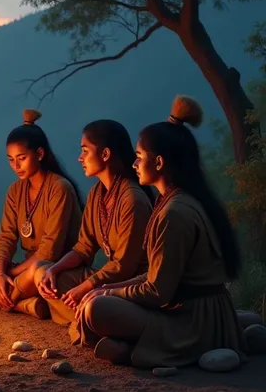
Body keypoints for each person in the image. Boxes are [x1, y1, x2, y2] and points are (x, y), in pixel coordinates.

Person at [75, 95, 248, 368]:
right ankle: (128, 347)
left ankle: (139, 349)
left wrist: (108, 294)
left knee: (97, 309)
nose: (134, 163)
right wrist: (109, 286)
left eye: (139, 157)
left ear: (158, 163)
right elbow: (158, 274)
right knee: (96, 300)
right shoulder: (172, 201)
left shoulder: (174, 212)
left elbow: (158, 292)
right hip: (187, 308)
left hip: (191, 320)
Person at [0, 109, 83, 318]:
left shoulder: (59, 188)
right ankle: (25, 305)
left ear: (39, 154)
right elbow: (6, 236)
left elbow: (50, 251)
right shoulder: (15, 190)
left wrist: (11, 273)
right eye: (10, 159)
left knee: (35, 271)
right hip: (22, 271)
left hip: (52, 270)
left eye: (21, 158)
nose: (16, 166)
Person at [34, 120, 153, 337]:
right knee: (41, 272)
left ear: (105, 154)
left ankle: (89, 323)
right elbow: (84, 248)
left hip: (131, 285)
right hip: (106, 280)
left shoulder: (132, 199)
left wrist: (85, 287)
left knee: (95, 305)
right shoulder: (97, 194)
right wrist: (54, 269)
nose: (80, 158)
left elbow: (124, 266)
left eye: (85, 151)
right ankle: (89, 323)